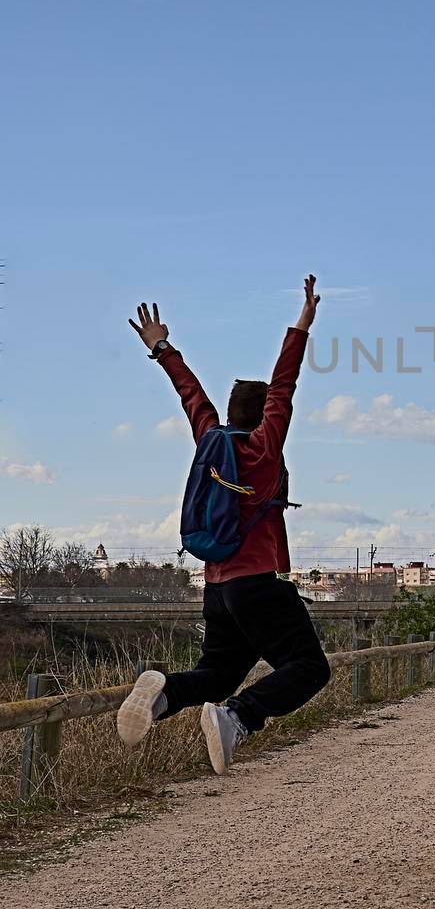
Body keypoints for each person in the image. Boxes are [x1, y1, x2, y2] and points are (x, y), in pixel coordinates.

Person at [116, 277, 331, 773]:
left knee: (215, 673)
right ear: (263, 418)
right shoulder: (263, 449)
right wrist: (303, 322)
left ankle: (164, 692)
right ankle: (239, 716)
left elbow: (191, 395)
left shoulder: (210, 440)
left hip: (215, 588)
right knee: (309, 667)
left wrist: (163, 348)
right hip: (257, 584)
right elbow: (285, 384)